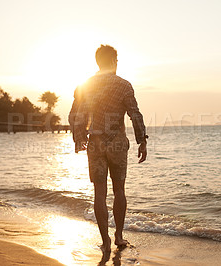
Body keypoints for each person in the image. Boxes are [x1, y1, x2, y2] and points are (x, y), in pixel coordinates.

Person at [69, 44, 148, 253]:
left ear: (97, 62)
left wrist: (79, 137)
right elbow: (135, 114)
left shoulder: (86, 85)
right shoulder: (123, 85)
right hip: (117, 143)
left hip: (95, 143)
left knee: (99, 193)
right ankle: (119, 236)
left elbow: (75, 114)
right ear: (114, 61)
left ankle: (105, 242)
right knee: (119, 190)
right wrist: (142, 140)